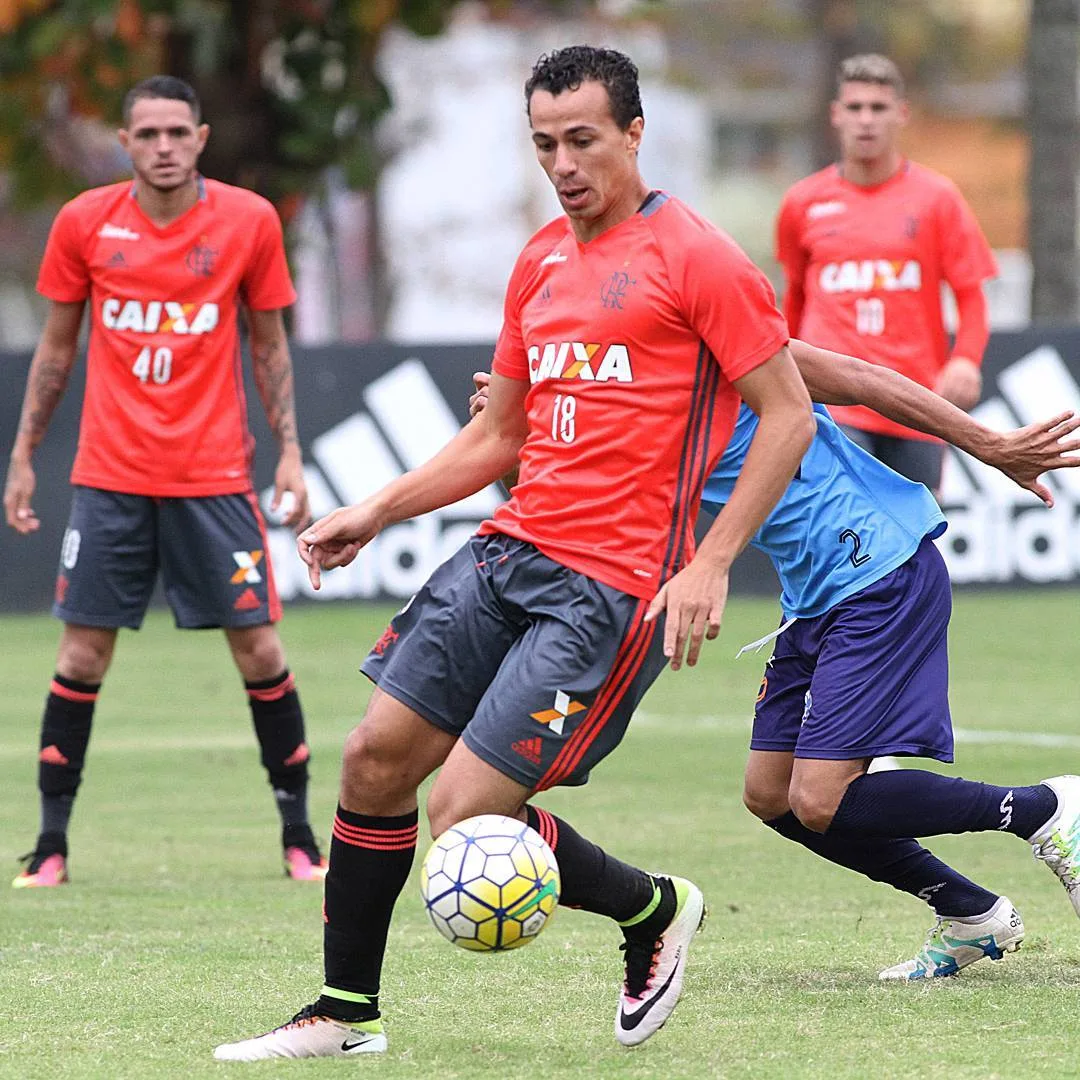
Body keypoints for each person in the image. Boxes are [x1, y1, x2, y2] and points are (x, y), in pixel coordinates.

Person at [212, 45, 817, 1061]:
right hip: (508, 553)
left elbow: (789, 414)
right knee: (371, 762)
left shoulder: (700, 257)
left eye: (583, 139)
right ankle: (345, 1013)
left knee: (463, 816)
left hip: (609, 590)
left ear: (633, 132)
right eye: (544, 143)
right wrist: (378, 510)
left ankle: (654, 909)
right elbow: (500, 439)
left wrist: (710, 562)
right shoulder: (539, 259)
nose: (563, 162)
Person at [472, 336, 1080, 981]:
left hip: (879, 564)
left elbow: (860, 379)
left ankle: (1045, 808)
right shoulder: (618, 420)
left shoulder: (705, 343)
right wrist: (508, 436)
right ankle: (970, 913)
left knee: (819, 799)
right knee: (772, 797)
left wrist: (987, 444)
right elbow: (557, 509)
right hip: (813, 595)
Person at [3, 75, 328, 887]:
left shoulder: (249, 223)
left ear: (202, 137)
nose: (163, 147)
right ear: (125, 142)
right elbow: (55, 350)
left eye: (177, 132)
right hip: (111, 479)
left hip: (214, 481)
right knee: (81, 655)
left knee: (259, 649)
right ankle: (50, 847)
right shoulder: (85, 223)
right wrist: (21, 454)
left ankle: (298, 837)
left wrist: (289, 451)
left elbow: (269, 347)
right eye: (147, 134)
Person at [775, 53, 997, 493]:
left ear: (901, 114)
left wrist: (967, 360)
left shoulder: (938, 199)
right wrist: (784, 382)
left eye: (878, 108)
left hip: (915, 404)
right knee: (844, 535)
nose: (866, 120)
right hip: (835, 408)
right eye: (855, 108)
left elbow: (971, 295)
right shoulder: (803, 203)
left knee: (916, 545)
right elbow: (794, 298)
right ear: (836, 116)